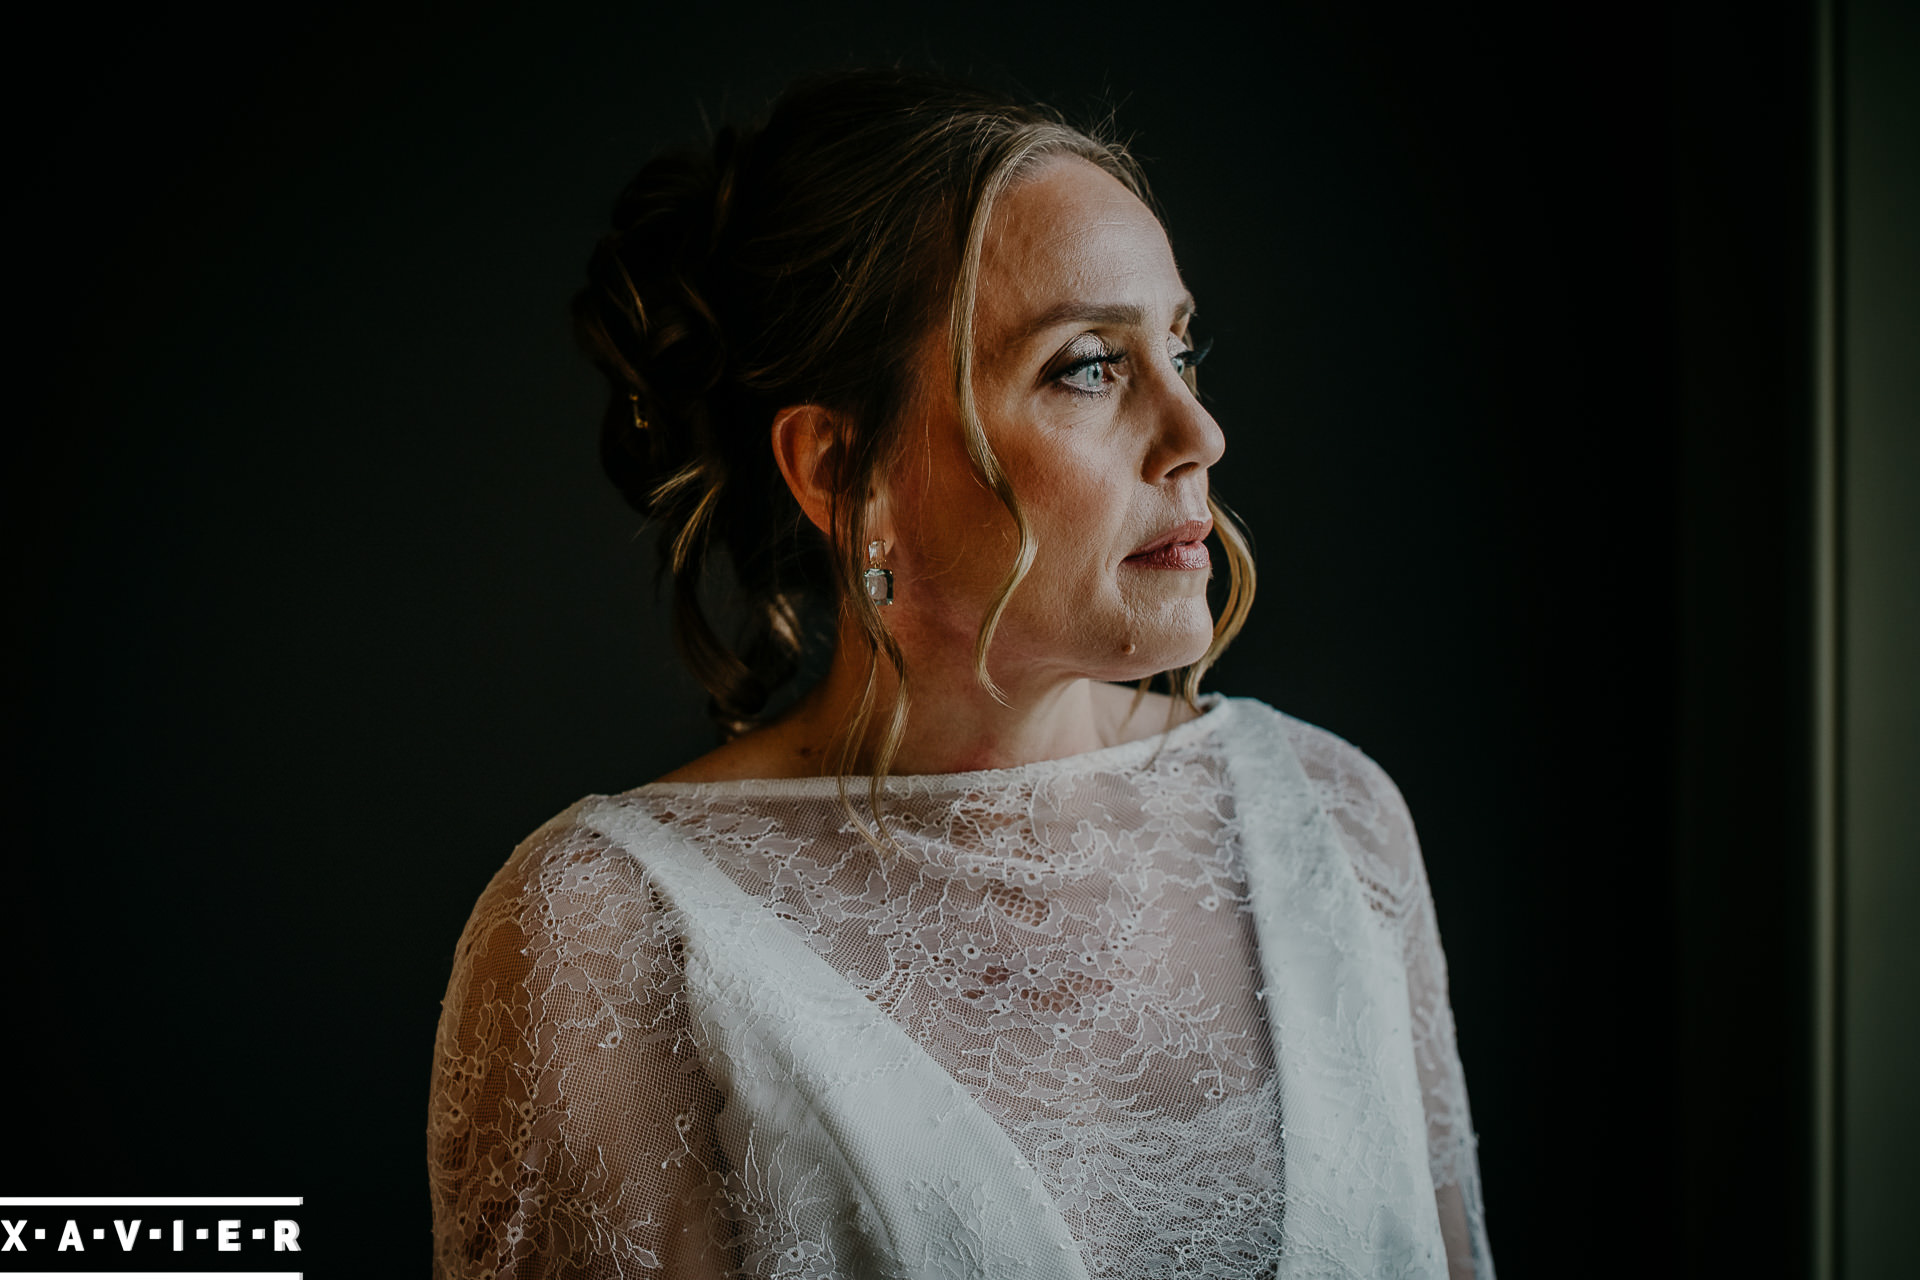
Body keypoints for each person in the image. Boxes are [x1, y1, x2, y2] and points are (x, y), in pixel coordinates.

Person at [427, 69, 1493, 1279]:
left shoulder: (1332, 824)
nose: (1199, 434)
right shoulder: (608, 938)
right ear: (837, 468)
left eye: (1181, 348)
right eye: (1089, 365)